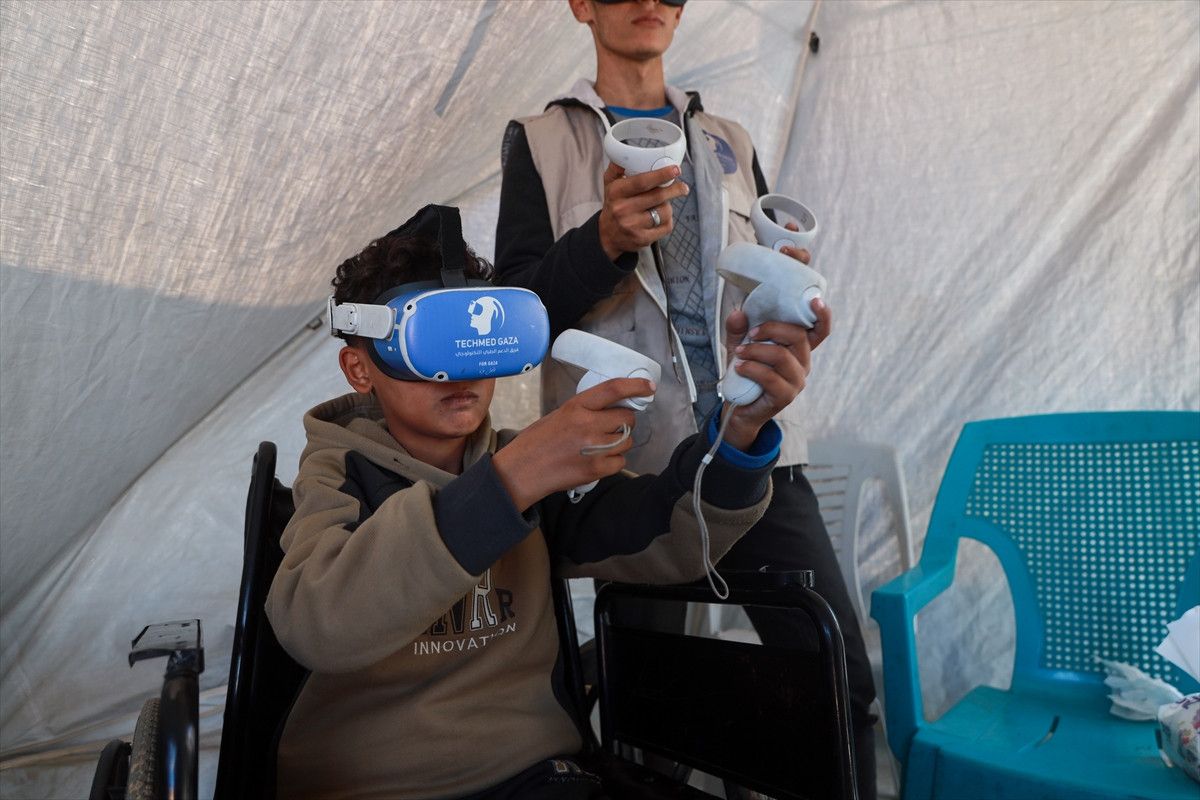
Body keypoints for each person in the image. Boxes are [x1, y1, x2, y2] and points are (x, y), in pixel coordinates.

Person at [264, 203, 817, 799]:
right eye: (431, 341)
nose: (461, 370)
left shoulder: (530, 464)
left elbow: (669, 533)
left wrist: (739, 429)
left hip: (536, 778)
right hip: (378, 787)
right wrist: (510, 481)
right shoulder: (338, 475)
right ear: (359, 368)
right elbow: (317, 622)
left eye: (479, 340)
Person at [495, 1, 878, 796]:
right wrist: (602, 241)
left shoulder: (729, 141)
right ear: (581, 6)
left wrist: (796, 314)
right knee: (648, 712)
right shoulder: (541, 140)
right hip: (629, 473)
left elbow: (767, 279)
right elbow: (514, 324)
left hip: (750, 449)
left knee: (836, 678)